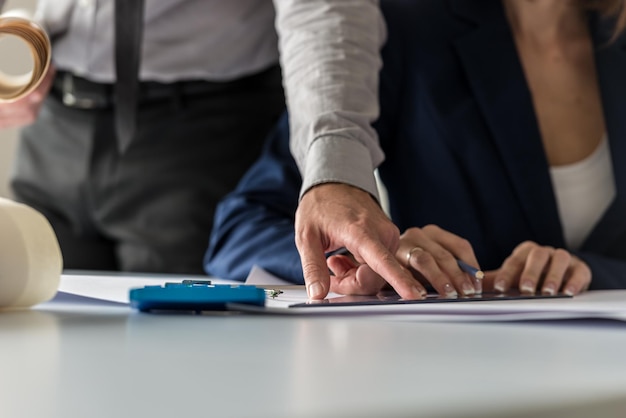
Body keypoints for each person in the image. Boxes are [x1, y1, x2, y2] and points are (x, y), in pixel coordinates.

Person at [206, 0, 626, 297]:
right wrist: (369, 257)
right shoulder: (400, 31)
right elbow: (241, 229)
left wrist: (593, 272)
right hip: (445, 369)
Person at [0, 0, 382, 275]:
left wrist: (334, 172)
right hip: (51, 125)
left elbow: (323, 11)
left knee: (177, 360)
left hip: (201, 139)